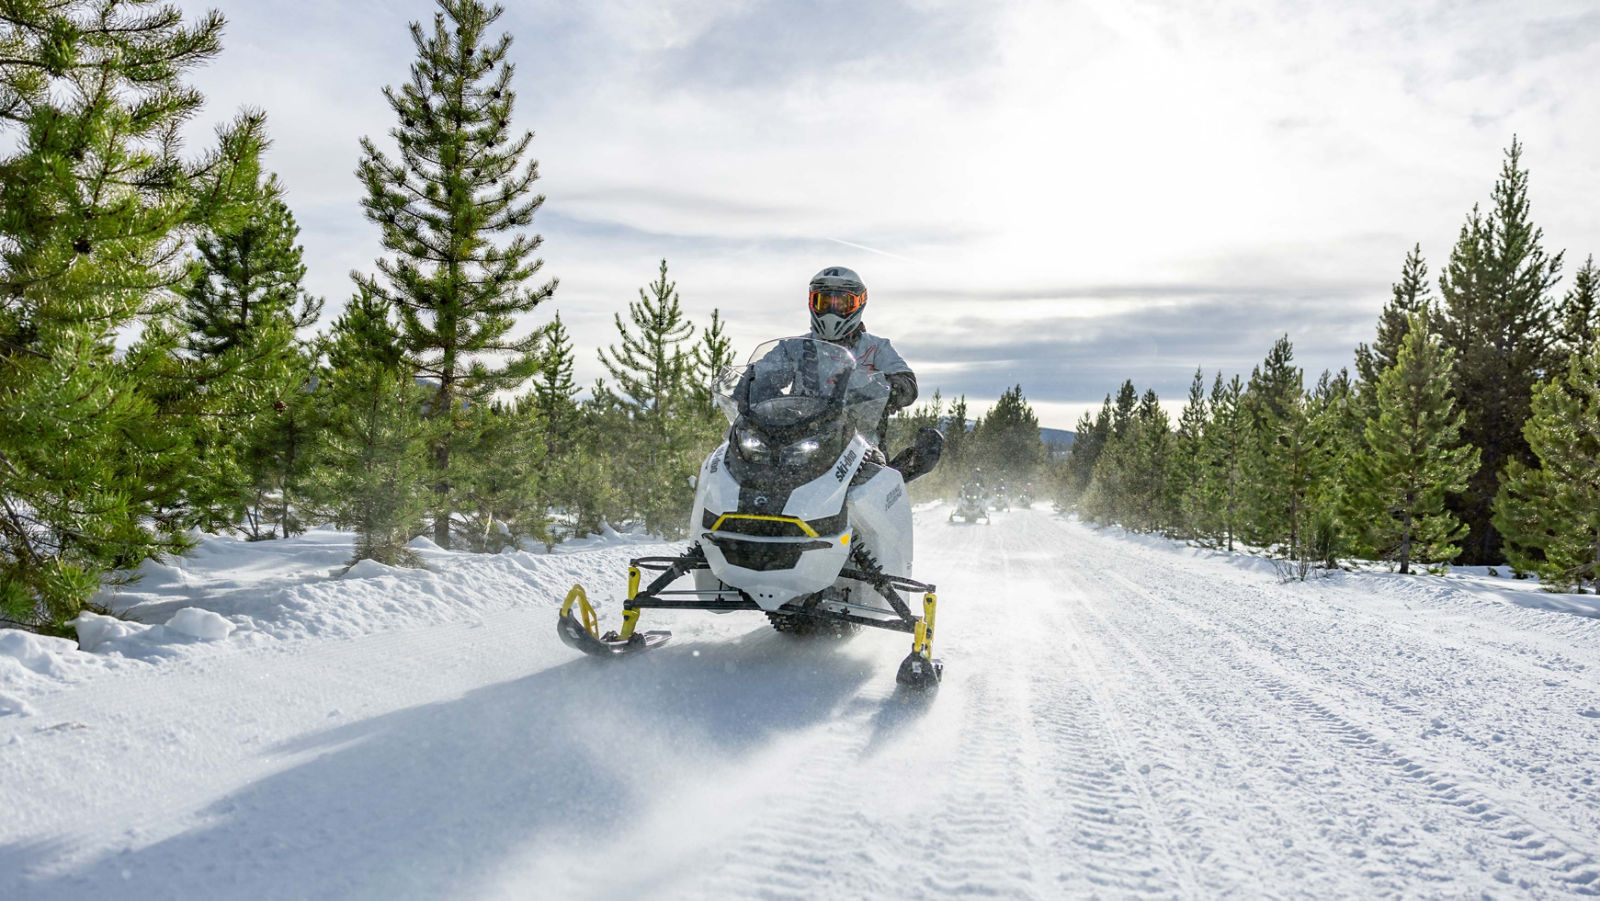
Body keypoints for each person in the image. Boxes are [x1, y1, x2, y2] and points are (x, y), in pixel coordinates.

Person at [806, 266, 917, 448]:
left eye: (841, 303)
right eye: (824, 303)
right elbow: (764, 370)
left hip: (862, 442)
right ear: (812, 302)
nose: (832, 310)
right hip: (802, 437)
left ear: (859, 303)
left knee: (878, 465)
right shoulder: (795, 347)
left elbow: (908, 384)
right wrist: (759, 381)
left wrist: (890, 389)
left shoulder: (876, 347)